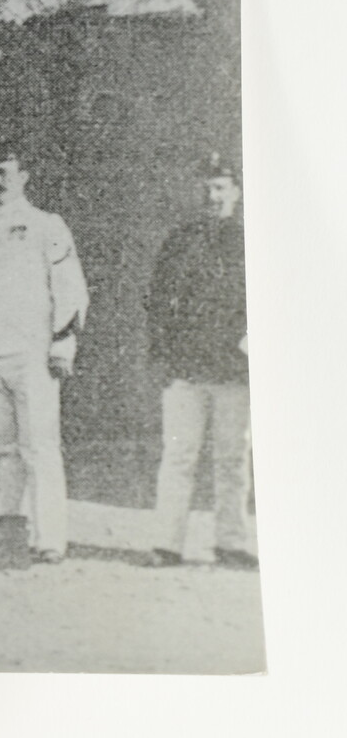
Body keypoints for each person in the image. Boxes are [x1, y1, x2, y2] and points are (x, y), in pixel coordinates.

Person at [0, 141, 88, 565]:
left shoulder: (47, 225)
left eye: (6, 172)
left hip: (31, 353)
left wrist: (63, 344)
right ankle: (12, 530)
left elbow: (69, 287)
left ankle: (51, 538)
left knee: (39, 447)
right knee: (3, 449)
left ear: (25, 176)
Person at [146, 152, 254, 569]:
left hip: (233, 370)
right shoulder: (181, 241)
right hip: (186, 370)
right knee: (179, 457)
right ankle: (166, 544)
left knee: (232, 459)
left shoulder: (253, 241)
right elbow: (157, 303)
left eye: (222, 187)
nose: (213, 196)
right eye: (207, 187)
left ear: (237, 192)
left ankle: (230, 542)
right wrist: (162, 358)